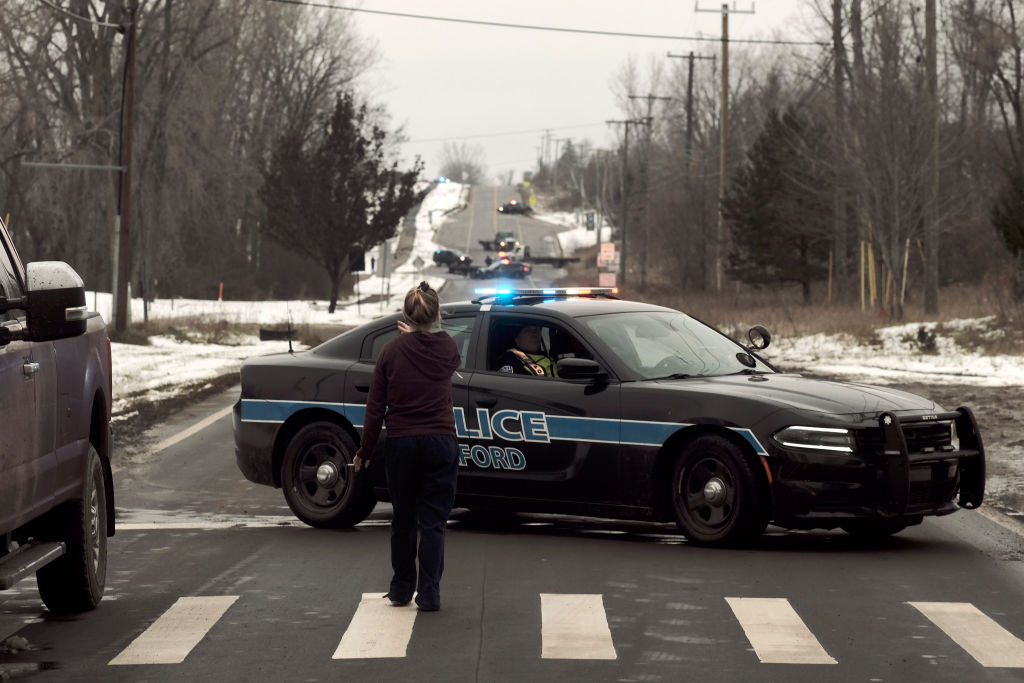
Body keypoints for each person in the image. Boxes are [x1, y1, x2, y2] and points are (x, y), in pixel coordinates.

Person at [353, 281, 461, 612]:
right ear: (438, 314)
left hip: (401, 443)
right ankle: (429, 593)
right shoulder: (449, 350)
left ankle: (401, 589)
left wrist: (364, 451)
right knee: (433, 522)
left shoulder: (391, 352)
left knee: (403, 519)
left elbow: (375, 409)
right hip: (441, 442)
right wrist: (416, 336)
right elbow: (431, 349)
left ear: (405, 315)